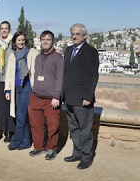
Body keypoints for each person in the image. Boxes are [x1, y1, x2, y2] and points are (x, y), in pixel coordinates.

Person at [62, 23, 99, 169]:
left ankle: (86, 157)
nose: (74, 36)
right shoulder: (69, 49)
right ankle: (76, 153)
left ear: (85, 36)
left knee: (85, 129)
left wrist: (87, 96)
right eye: (72, 33)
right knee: (74, 128)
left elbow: (92, 76)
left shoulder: (91, 52)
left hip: (82, 98)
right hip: (69, 97)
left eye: (77, 34)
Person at [28, 30, 64, 160]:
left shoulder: (58, 58)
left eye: (48, 39)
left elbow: (60, 78)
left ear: (52, 41)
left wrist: (57, 96)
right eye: (43, 39)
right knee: (36, 124)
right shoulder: (38, 57)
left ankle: (51, 149)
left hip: (51, 99)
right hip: (36, 96)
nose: (45, 41)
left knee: (53, 125)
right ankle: (38, 147)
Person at [5, 32, 38, 150]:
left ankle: (15, 141)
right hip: (16, 88)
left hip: (27, 87)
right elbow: (9, 73)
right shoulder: (13, 55)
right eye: (18, 40)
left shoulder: (32, 52)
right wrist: (7, 90)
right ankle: (26, 142)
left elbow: (37, 67)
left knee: (20, 116)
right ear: (15, 42)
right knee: (21, 115)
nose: (21, 42)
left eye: (23, 40)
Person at [0, 21, 16, 143]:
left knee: (11, 107)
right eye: (2, 28)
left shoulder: (13, 43)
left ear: (9, 29)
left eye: (6, 28)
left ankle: (11, 131)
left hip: (10, 80)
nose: (4, 30)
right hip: (0, 79)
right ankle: (5, 129)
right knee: (3, 108)